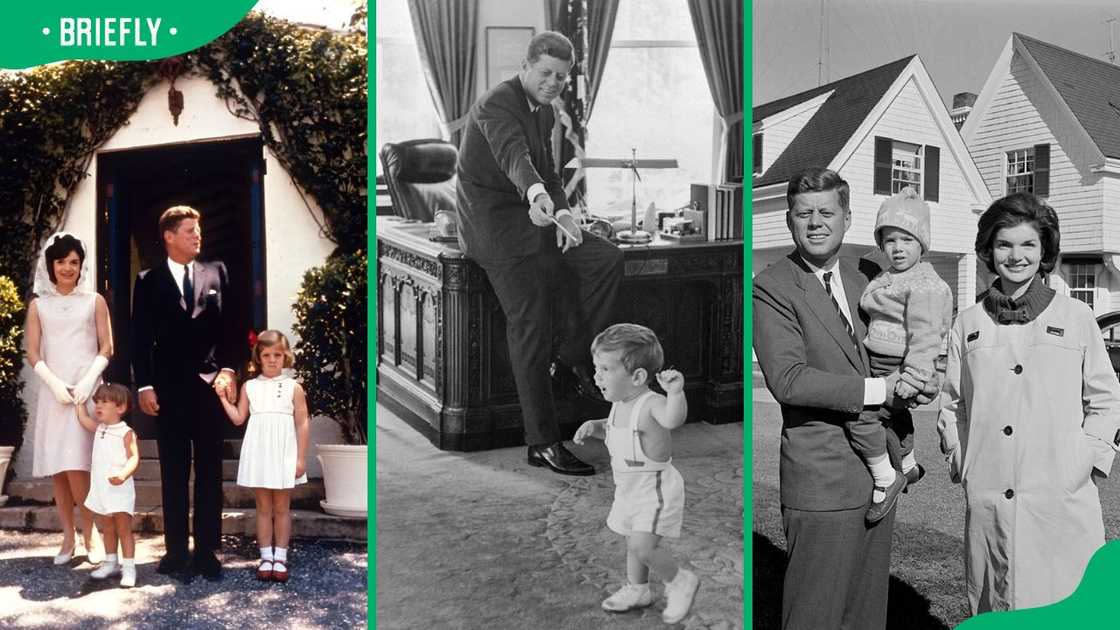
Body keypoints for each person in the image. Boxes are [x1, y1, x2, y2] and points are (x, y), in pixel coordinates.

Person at [752, 167, 936, 629]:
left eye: (826, 212)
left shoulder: (871, 279)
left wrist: (922, 378)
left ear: (848, 217)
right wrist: (881, 390)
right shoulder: (771, 286)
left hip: (879, 474)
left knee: (866, 612)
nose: (815, 222)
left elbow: (911, 337)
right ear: (789, 221)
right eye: (803, 213)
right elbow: (789, 379)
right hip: (821, 480)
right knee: (814, 614)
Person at [937, 192, 1120, 613]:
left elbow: (1106, 401)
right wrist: (964, 463)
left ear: (1044, 252)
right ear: (988, 249)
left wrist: (1083, 463)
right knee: (995, 604)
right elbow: (953, 404)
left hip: (1060, 496)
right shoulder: (968, 324)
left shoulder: (1076, 318)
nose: (1015, 256)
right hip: (988, 496)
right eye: (1004, 244)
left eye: (1027, 245)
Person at [457, 30, 624, 476]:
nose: (554, 83)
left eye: (562, 77)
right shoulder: (497, 102)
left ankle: (570, 356)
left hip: (538, 215)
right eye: (546, 73)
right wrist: (534, 194)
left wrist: (566, 216)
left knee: (606, 258)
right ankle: (543, 442)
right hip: (495, 226)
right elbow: (516, 157)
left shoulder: (547, 112)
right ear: (527, 66)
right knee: (529, 321)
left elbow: (548, 172)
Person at [131, 206, 239, 580]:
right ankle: (176, 552)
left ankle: (208, 552)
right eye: (190, 230)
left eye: (199, 229)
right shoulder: (148, 280)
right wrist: (144, 384)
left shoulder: (216, 273)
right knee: (173, 473)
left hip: (209, 389)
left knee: (209, 472)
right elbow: (140, 338)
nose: (198, 236)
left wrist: (228, 369)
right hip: (168, 392)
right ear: (169, 236)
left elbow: (232, 327)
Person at [573, 324, 699, 624]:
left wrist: (676, 393)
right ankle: (638, 588)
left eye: (605, 369)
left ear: (638, 377)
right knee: (632, 542)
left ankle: (680, 580)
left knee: (643, 545)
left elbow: (673, 419)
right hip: (627, 487)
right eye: (596, 367)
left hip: (654, 488)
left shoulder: (653, 403)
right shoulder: (620, 404)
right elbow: (620, 425)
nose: (597, 376)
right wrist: (596, 424)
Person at [852, 187, 953, 522]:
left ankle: (886, 477)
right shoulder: (890, 277)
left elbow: (925, 337)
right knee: (895, 419)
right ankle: (908, 465)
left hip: (900, 364)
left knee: (861, 417)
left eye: (907, 240)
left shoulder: (923, 284)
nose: (897, 248)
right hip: (879, 359)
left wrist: (913, 377)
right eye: (890, 240)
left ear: (922, 244)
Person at [24, 232, 111, 565]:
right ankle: (67, 536)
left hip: (85, 394)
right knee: (59, 469)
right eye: (61, 262)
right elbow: (33, 352)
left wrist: (88, 381)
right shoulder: (39, 306)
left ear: (81, 265)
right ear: (51, 265)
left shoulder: (94, 301)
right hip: (54, 394)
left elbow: (107, 346)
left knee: (80, 467)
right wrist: (54, 383)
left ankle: (91, 535)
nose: (67, 268)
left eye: (74, 262)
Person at [215, 330, 309, 584]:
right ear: (259, 357)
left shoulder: (293, 387)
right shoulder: (250, 386)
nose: (271, 360)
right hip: (259, 453)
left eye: (277, 355)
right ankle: (265, 557)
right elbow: (238, 418)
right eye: (266, 355)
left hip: (282, 453)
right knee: (263, 508)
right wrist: (223, 398)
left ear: (285, 356)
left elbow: (302, 423)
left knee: (282, 508)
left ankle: (281, 557)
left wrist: (300, 459)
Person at [74, 384, 139, 588]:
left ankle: (129, 567)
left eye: (104, 402)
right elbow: (84, 420)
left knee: (123, 529)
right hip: (102, 489)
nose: (98, 406)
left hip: (120, 489)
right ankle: (111, 562)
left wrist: (123, 474)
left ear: (120, 408)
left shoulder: (126, 432)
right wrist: (79, 403)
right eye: (97, 402)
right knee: (107, 528)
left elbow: (134, 458)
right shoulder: (100, 428)